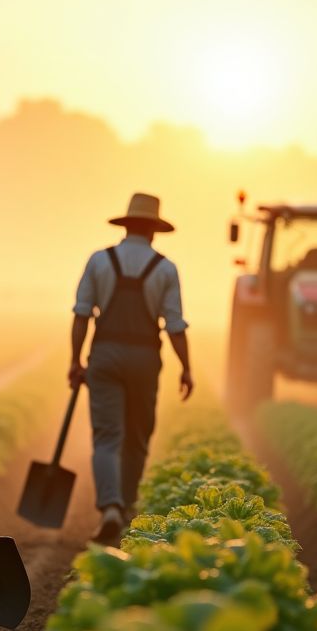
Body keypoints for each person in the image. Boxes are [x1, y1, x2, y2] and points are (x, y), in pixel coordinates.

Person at [68, 193, 193, 546]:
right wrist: (187, 368)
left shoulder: (100, 260)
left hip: (104, 355)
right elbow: (175, 326)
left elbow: (81, 314)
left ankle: (109, 507)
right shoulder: (165, 269)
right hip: (144, 360)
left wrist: (75, 361)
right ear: (154, 230)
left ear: (126, 225)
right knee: (137, 437)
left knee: (107, 436)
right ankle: (126, 509)